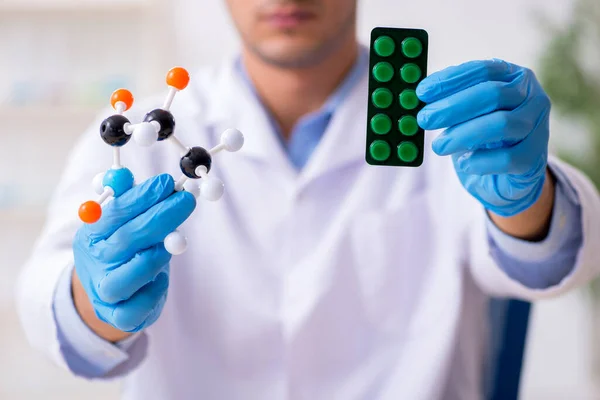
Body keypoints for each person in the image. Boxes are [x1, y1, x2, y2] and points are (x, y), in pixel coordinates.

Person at [15, 0, 600, 399]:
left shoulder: (443, 118)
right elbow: (48, 304)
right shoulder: (142, 131)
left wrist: (526, 199)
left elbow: (547, 260)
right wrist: (96, 300)